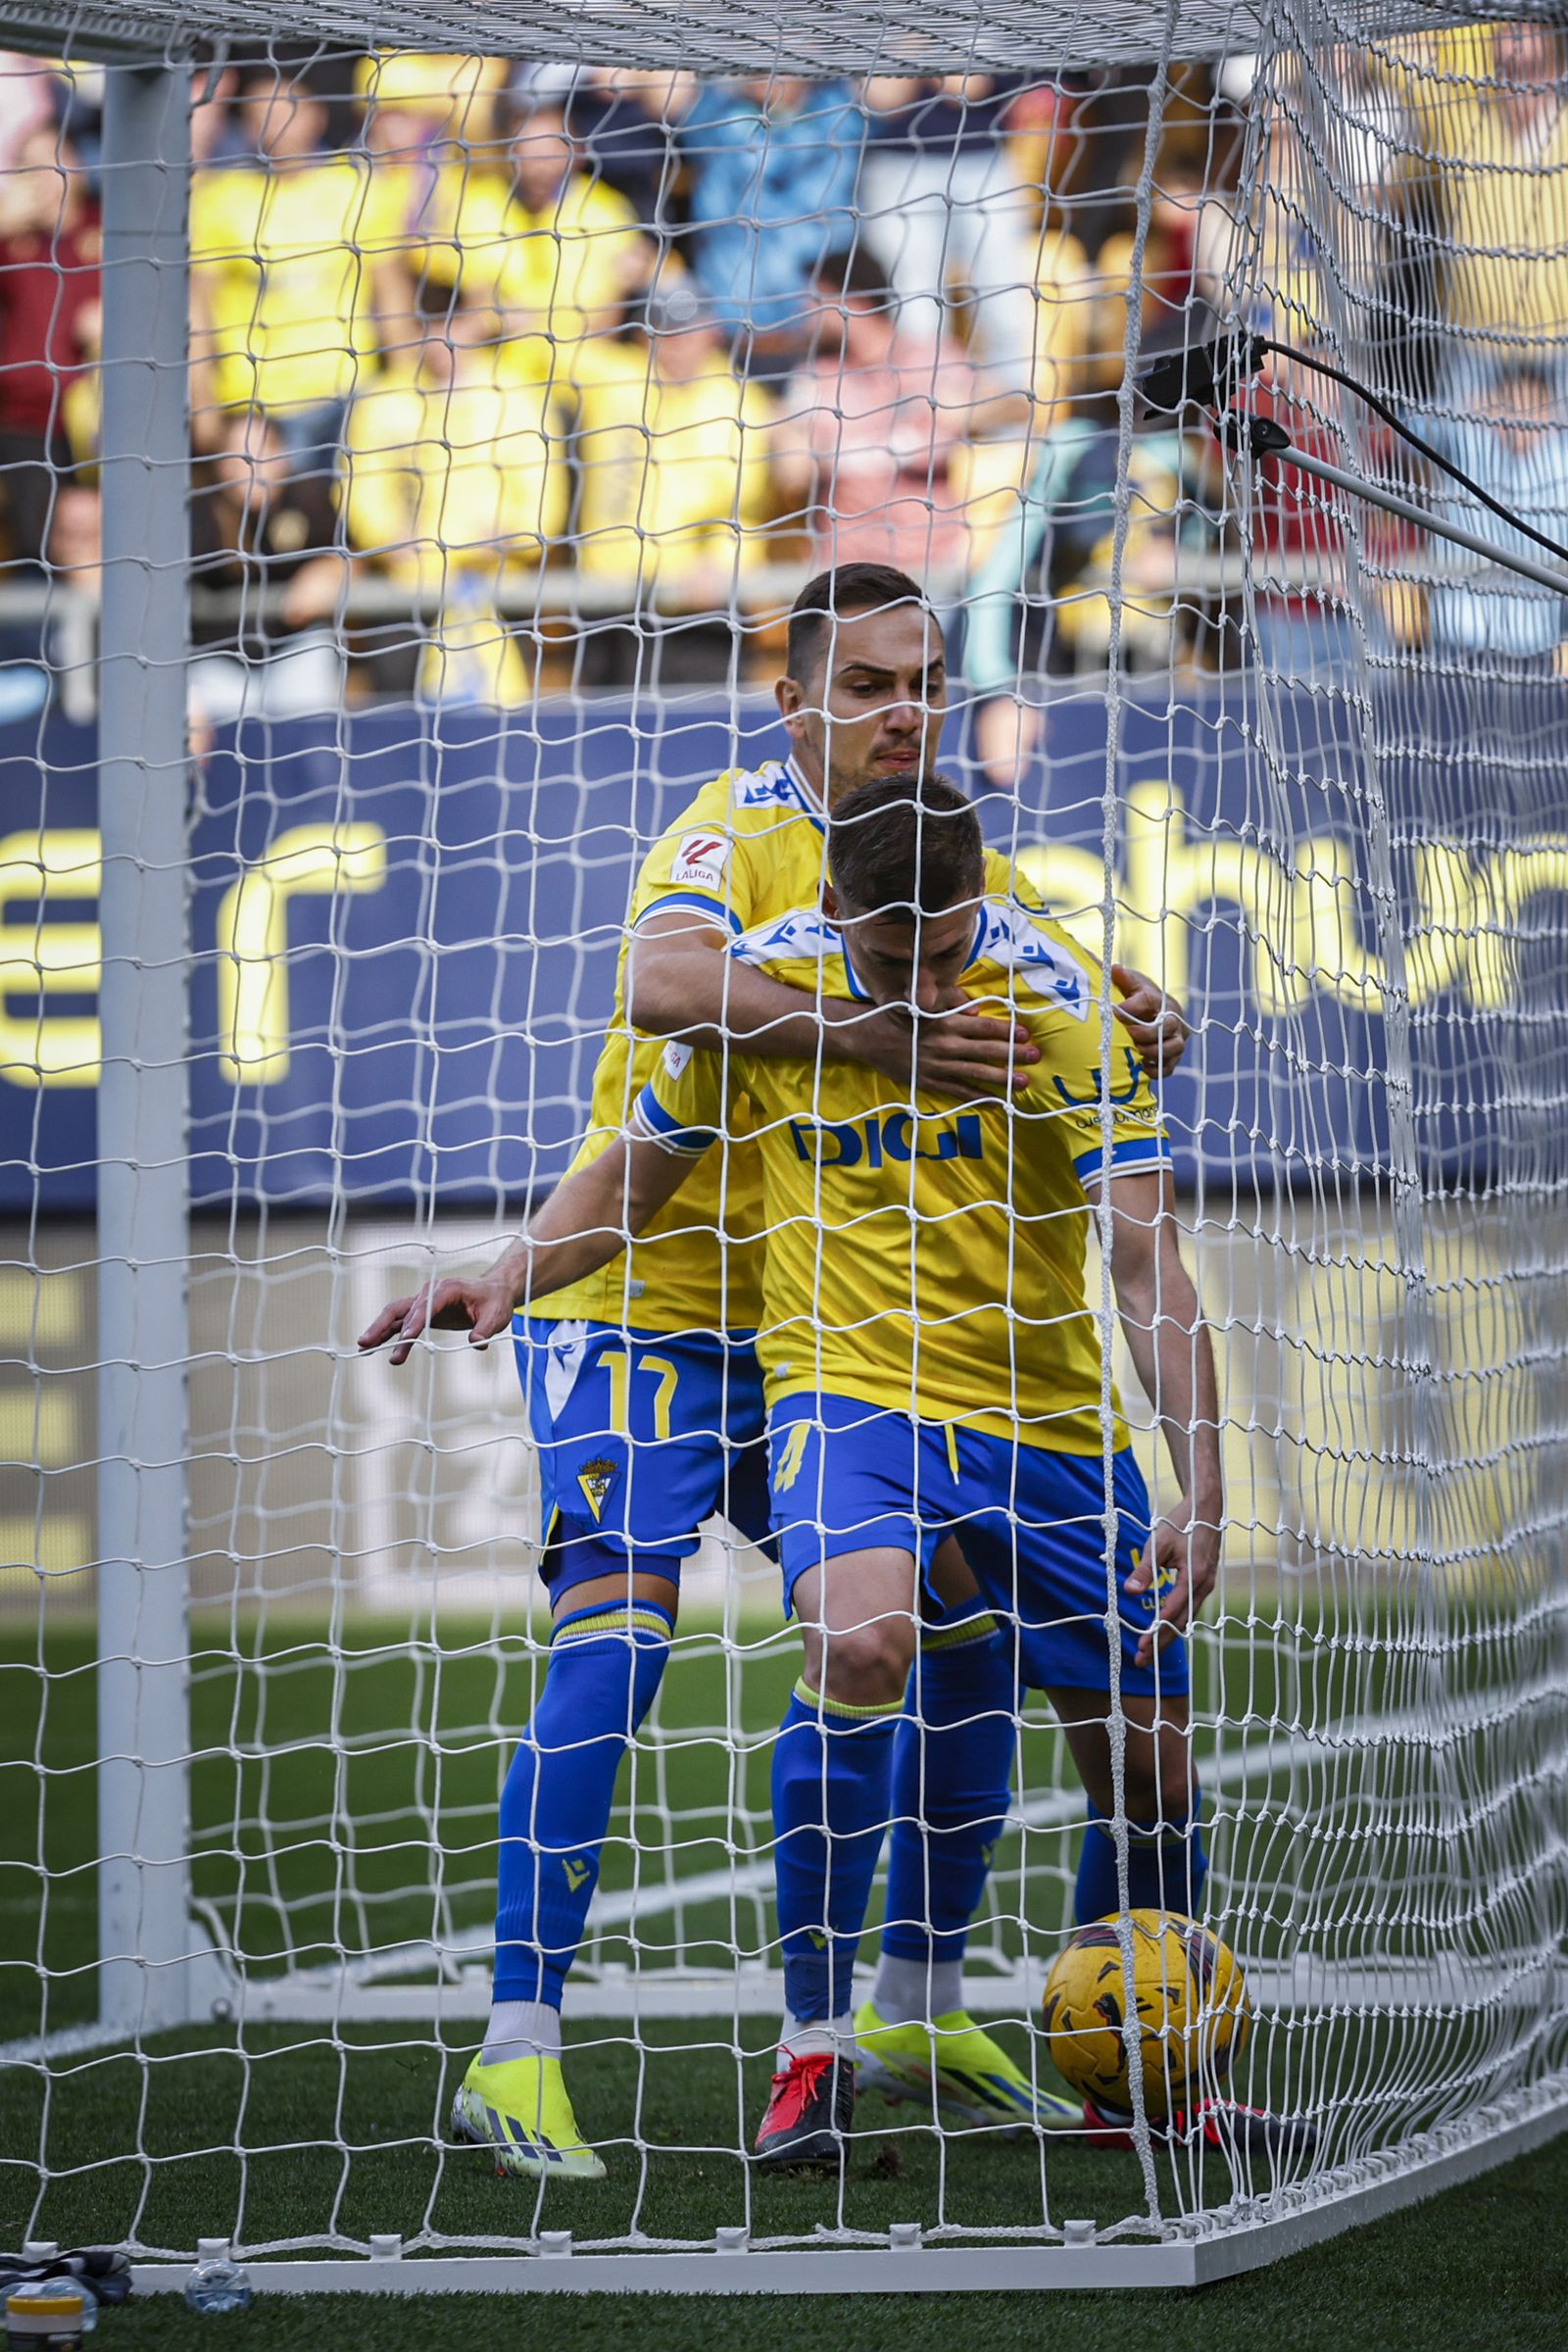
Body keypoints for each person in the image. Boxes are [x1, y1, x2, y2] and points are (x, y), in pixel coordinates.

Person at [360, 563, 1192, 2178]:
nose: (905, 711)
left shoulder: (932, 838)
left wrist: (1127, 1002)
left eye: (923, 681)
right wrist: (872, 1040)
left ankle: (909, 2000)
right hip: (648, 1297)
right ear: (795, 696)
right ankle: (514, 2046)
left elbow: (1010, 964)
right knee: (620, 1633)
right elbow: (664, 985)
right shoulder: (729, 823)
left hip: (825, 1329)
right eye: (872, 684)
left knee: (946, 1621)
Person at [340, 283, 567, 707]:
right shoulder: (386, 400)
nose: (439, 338)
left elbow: (543, 503)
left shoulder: (517, 398)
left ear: (474, 322)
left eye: (451, 322)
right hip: (408, 593)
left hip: (499, 591)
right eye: (426, 325)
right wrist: (387, 536)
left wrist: (512, 535)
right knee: (401, 727)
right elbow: (361, 492)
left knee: (505, 734)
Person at [571, 277, 778, 688]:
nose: (675, 343)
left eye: (687, 331)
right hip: (608, 601)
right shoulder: (614, 379)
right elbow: (555, 346)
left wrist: (721, 566)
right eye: (662, 330)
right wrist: (620, 286)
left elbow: (744, 509)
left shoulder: (740, 402)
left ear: (712, 333)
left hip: (697, 608)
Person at [772, 248, 988, 582]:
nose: (806, 311)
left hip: (931, 567)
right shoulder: (817, 376)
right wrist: (790, 435)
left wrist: (968, 410)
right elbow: (792, 473)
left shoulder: (931, 359)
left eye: (817, 299)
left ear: (850, 300)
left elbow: (1012, 406)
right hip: (843, 576)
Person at [420, 96, 656, 366]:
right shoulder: (479, 205)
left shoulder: (608, 214)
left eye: (549, 150)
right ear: (509, 152)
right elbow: (466, 299)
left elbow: (611, 318)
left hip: (581, 361)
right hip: (499, 362)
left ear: (575, 152)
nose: (539, 164)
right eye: (528, 151)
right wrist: (489, 317)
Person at [858, 74, 1039, 395]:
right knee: (914, 307)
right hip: (897, 163)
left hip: (983, 160)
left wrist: (914, 66)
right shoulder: (881, 25)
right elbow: (881, 98)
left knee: (1005, 301)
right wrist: (921, 44)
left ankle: (1012, 415)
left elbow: (968, 88)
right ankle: (922, 416)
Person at [677, 75, 863, 377]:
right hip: (729, 342)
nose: (764, 67)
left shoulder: (837, 110)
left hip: (823, 342)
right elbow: (662, 90)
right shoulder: (714, 115)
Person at [186, 407, 348, 733]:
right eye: (237, 456)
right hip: (219, 662)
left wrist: (330, 570)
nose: (251, 467)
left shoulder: (306, 497)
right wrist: (185, 692)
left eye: (262, 452)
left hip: (292, 649)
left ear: (283, 456)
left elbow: (351, 553)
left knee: (306, 735)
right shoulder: (197, 514)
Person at [0, 126, 99, 564]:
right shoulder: (9, 242)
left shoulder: (112, 229)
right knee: (37, 545)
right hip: (26, 421)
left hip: (103, 423)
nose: (45, 176)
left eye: (55, 161)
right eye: (30, 167)